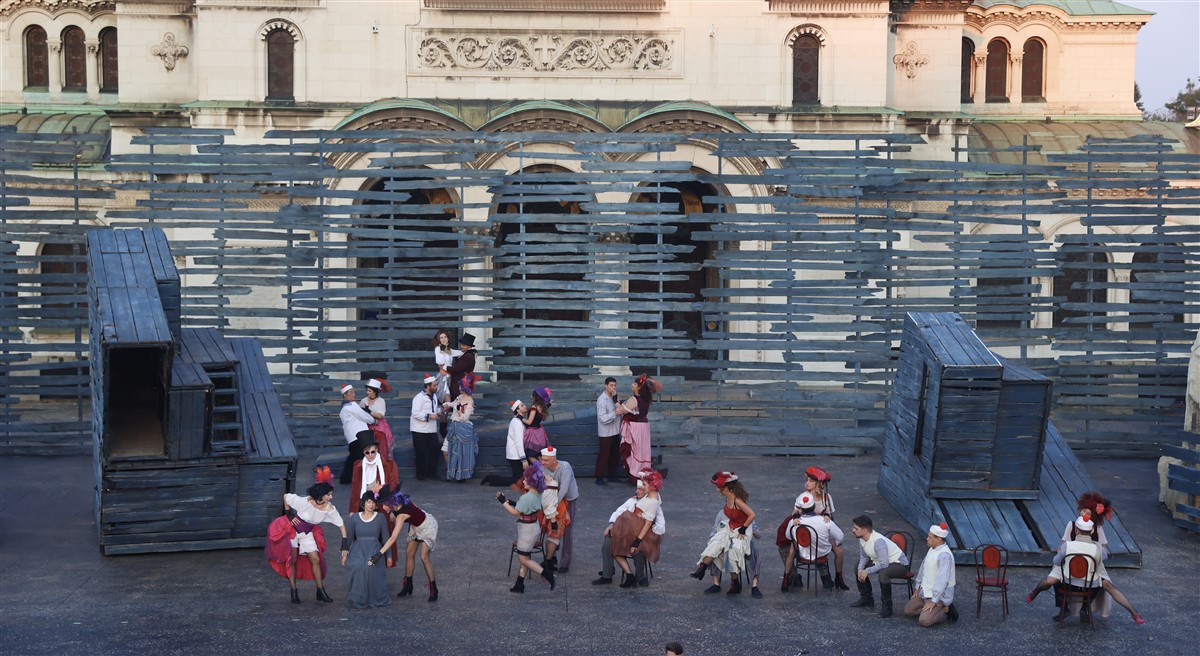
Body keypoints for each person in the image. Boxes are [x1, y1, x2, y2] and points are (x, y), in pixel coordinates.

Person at [1026, 515, 1144, 624]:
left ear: (1076, 531)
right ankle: (1134, 613)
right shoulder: (1099, 547)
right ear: (1092, 531)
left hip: (1068, 579)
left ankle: (1035, 592)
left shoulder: (1067, 546)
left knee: (1050, 580)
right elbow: (1103, 558)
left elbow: (1056, 562)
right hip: (1091, 582)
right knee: (1110, 586)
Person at [265, 466, 348, 604]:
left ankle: (320, 591)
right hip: (292, 531)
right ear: (321, 494)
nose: (331, 497)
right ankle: (294, 591)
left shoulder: (329, 509)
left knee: (315, 559)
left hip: (307, 533)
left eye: (331, 494)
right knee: (293, 558)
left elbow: (341, 524)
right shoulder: (305, 502)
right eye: (329, 494)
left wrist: (344, 543)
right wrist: (289, 514)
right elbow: (286, 497)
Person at [593, 474, 666, 587]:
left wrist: (646, 526)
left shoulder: (653, 504)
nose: (638, 491)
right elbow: (618, 512)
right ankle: (608, 575)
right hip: (625, 533)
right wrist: (612, 524)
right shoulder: (632, 501)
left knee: (638, 548)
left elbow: (659, 526)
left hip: (642, 536)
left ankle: (640, 576)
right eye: (637, 489)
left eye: (641, 488)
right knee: (608, 542)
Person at [690, 471, 756, 595]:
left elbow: (752, 515)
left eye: (718, 487)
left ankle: (735, 584)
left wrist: (743, 528)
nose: (717, 490)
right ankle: (702, 568)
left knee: (732, 551)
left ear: (726, 488)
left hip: (742, 531)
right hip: (730, 528)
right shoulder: (727, 499)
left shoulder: (737, 501)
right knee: (715, 542)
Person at [373, 485, 440, 602]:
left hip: (427, 527)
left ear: (390, 502)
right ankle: (408, 585)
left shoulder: (402, 515)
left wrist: (379, 554)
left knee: (424, 557)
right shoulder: (400, 501)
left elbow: (393, 538)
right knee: (409, 553)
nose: (383, 507)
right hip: (416, 526)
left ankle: (434, 588)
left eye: (384, 504)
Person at [496, 462, 556, 593]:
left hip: (526, 530)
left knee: (522, 558)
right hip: (534, 527)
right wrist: (510, 502)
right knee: (526, 557)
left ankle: (546, 573)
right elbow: (523, 507)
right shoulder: (537, 495)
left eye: (526, 480)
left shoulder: (526, 497)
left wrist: (502, 501)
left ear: (532, 482)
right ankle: (519, 584)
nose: (523, 482)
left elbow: (515, 512)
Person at [781, 492, 844, 592]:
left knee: (791, 550)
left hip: (803, 554)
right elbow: (840, 536)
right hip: (821, 554)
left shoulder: (793, 522)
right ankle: (838, 578)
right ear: (814, 506)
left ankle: (785, 580)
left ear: (801, 509)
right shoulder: (825, 521)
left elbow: (788, 537)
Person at [849, 515, 909, 618]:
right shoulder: (861, 538)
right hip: (882, 561)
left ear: (864, 530)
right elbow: (864, 556)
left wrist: (867, 571)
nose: (852, 530)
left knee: (883, 573)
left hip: (899, 564)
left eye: (855, 528)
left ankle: (887, 606)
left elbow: (884, 564)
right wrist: (860, 569)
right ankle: (866, 598)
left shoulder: (878, 542)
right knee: (857, 566)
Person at [802, 466, 850, 590]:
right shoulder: (804, 498)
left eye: (811, 480)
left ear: (819, 483)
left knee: (839, 551)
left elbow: (830, 515)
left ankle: (839, 577)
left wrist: (828, 521)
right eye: (807, 480)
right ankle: (824, 577)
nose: (807, 482)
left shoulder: (826, 497)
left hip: (822, 529)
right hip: (808, 531)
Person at [342, 491, 392, 609]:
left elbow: (386, 538)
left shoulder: (380, 517)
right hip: (358, 550)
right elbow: (349, 537)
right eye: (369, 502)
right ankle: (359, 598)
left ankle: (373, 597)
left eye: (374, 502)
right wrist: (344, 553)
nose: (371, 505)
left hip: (375, 550)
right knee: (359, 565)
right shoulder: (354, 518)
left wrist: (389, 556)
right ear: (363, 503)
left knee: (369, 567)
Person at [903, 523, 959, 626]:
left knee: (924, 621)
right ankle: (929, 609)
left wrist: (934, 601)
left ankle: (945, 608)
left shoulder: (944, 555)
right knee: (908, 610)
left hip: (939, 595)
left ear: (939, 539)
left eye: (930, 537)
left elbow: (942, 580)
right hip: (925, 591)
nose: (927, 539)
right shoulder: (932, 549)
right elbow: (923, 567)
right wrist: (917, 587)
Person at [705, 514, 764, 598]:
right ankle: (716, 583)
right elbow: (714, 530)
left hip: (743, 543)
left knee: (755, 553)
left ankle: (755, 586)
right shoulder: (721, 513)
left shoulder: (747, 514)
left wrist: (752, 532)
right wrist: (712, 540)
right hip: (725, 543)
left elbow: (758, 534)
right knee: (713, 549)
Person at [540, 445, 578, 573]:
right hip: (551, 500)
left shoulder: (564, 468)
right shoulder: (543, 468)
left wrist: (553, 505)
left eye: (546, 460)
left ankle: (565, 563)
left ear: (554, 459)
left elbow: (564, 489)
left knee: (567, 529)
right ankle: (551, 557)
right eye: (542, 459)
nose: (543, 462)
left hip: (568, 499)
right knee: (551, 528)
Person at [617, 374, 659, 482]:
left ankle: (636, 476)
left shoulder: (634, 399)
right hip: (643, 427)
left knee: (635, 450)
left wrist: (615, 400)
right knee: (642, 450)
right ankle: (643, 475)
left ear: (639, 387)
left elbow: (621, 410)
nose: (632, 385)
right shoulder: (645, 398)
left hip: (635, 428)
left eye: (635, 383)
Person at [444, 373, 480, 482]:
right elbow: (452, 404)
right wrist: (446, 404)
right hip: (454, 427)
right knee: (448, 450)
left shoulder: (470, 401)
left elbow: (465, 417)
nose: (459, 387)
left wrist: (459, 411)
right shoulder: (459, 397)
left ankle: (460, 476)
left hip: (463, 428)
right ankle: (452, 473)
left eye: (461, 386)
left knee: (462, 453)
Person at [339, 383, 377, 484]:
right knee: (361, 459)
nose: (354, 394)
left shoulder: (343, 410)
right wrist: (373, 420)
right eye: (351, 393)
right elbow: (364, 416)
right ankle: (363, 480)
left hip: (351, 438)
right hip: (359, 436)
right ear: (345, 395)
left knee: (353, 458)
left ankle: (345, 479)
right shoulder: (352, 405)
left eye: (353, 392)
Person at [348, 440, 398, 513]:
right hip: (365, 504)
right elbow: (355, 489)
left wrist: (392, 509)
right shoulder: (358, 466)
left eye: (373, 452)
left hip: (382, 505)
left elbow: (393, 487)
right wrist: (352, 509)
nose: (370, 455)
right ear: (363, 452)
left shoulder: (389, 465)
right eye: (367, 452)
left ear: (377, 450)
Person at [410, 374, 442, 481]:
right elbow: (415, 413)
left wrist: (440, 412)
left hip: (431, 429)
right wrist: (429, 416)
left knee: (435, 449)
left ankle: (431, 472)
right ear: (428, 386)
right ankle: (420, 474)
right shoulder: (419, 397)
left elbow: (433, 410)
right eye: (434, 385)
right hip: (419, 429)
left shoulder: (434, 397)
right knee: (421, 452)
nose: (436, 387)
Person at [594, 376, 621, 485]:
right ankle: (599, 477)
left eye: (614, 385)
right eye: (611, 385)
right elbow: (603, 418)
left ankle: (611, 476)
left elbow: (620, 409)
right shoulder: (602, 400)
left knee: (614, 454)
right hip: (605, 433)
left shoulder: (615, 398)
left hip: (615, 431)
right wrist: (615, 413)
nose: (613, 388)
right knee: (604, 454)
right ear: (606, 386)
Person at [361, 378, 393, 463]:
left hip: (379, 429)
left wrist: (369, 411)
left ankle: (381, 468)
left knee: (381, 450)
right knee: (368, 449)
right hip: (367, 428)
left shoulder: (381, 401)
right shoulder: (363, 401)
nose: (368, 392)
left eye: (370, 391)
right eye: (367, 390)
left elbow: (380, 415)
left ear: (375, 391)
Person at [522, 387, 552, 462]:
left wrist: (520, 418)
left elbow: (529, 422)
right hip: (540, 432)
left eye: (533, 395)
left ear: (536, 397)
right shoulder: (543, 407)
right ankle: (544, 470)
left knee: (530, 456)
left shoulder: (534, 407)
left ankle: (540, 471)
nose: (531, 397)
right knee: (539, 455)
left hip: (532, 434)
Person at [432, 328, 461, 404]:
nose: (444, 339)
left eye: (445, 337)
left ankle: (442, 415)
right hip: (442, 377)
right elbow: (440, 362)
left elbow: (459, 353)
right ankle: (438, 414)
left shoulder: (447, 350)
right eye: (441, 338)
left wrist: (472, 351)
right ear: (439, 340)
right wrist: (442, 350)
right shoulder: (438, 349)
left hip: (449, 377)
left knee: (448, 401)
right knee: (447, 399)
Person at [446, 332, 477, 400]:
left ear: (469, 346)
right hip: (459, 385)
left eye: (464, 345)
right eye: (462, 345)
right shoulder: (468, 354)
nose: (461, 346)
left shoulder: (468, 356)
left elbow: (457, 369)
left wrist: (445, 367)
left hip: (460, 386)